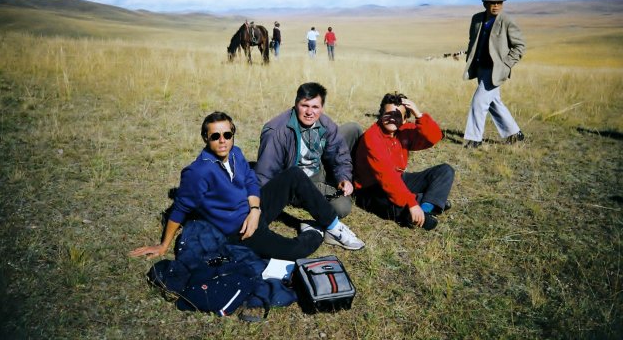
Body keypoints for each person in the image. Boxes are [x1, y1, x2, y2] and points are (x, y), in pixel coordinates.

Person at [130, 112, 364, 262]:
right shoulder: (197, 172)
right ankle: (314, 231)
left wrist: (255, 209)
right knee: (295, 252)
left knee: (294, 174)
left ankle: (333, 225)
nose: (222, 140)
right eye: (215, 136)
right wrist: (163, 245)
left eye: (227, 134)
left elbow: (251, 181)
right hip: (240, 230)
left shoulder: (236, 153)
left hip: (254, 211)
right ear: (205, 138)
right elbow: (180, 208)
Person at [255, 82, 363, 221]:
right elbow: (265, 172)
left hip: (319, 169)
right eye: (304, 105)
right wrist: (258, 206)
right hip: (297, 180)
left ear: (322, 108)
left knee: (352, 128)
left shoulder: (325, 123)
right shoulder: (277, 131)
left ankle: (350, 184)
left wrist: (343, 178)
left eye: (315, 107)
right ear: (296, 103)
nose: (309, 112)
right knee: (342, 207)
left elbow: (339, 154)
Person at [353, 92, 454, 231]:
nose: (392, 119)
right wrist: (411, 203)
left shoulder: (404, 131)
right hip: (371, 188)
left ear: (405, 119)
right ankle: (431, 201)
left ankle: (425, 208)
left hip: (398, 179)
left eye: (398, 115)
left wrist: (418, 114)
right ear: (381, 115)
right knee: (396, 207)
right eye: (388, 114)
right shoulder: (372, 137)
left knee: (445, 171)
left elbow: (435, 137)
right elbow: (386, 176)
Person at [462, 0, 526, 148]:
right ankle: (514, 133)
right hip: (480, 68)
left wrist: (506, 64)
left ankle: (475, 139)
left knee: (479, 102)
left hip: (496, 70)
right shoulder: (477, 19)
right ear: (485, 4)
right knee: (493, 102)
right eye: (492, 3)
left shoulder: (507, 21)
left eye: (499, 2)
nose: (496, 5)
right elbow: (472, 40)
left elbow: (519, 46)